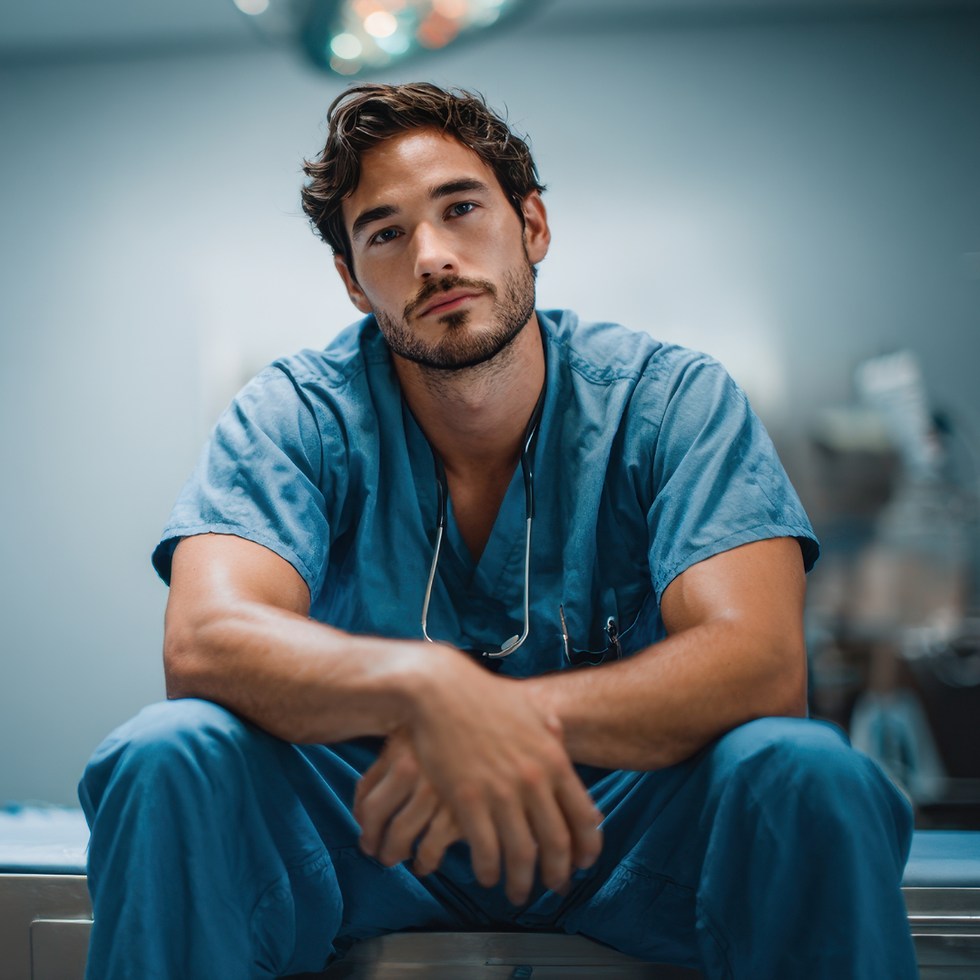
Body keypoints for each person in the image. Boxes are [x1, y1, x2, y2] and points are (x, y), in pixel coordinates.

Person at [79, 83, 918, 980]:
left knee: (807, 772)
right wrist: (424, 687)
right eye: (386, 233)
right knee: (164, 757)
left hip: (617, 817)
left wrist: (500, 719)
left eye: (461, 208)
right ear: (354, 281)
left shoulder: (669, 402)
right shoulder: (295, 416)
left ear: (533, 226)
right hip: (376, 820)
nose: (432, 257)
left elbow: (759, 663)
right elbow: (206, 641)